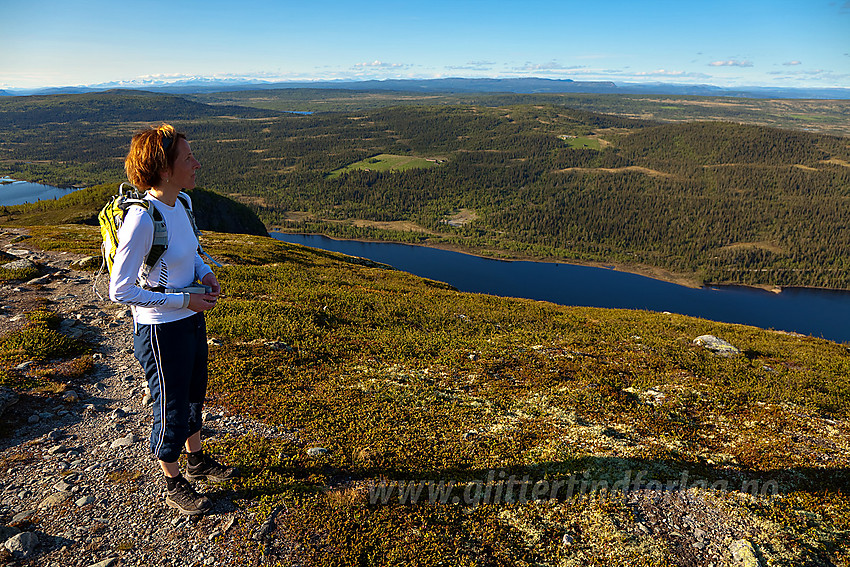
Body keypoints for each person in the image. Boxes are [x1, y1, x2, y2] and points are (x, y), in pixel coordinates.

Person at [110, 123, 237, 515]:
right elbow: (121, 290)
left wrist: (205, 272)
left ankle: (197, 460)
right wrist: (185, 299)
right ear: (165, 170)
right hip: (160, 330)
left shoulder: (179, 205)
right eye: (187, 158)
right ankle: (172, 480)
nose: (196, 163)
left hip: (188, 318)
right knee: (170, 403)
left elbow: (190, 252)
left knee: (194, 390)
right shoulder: (142, 221)